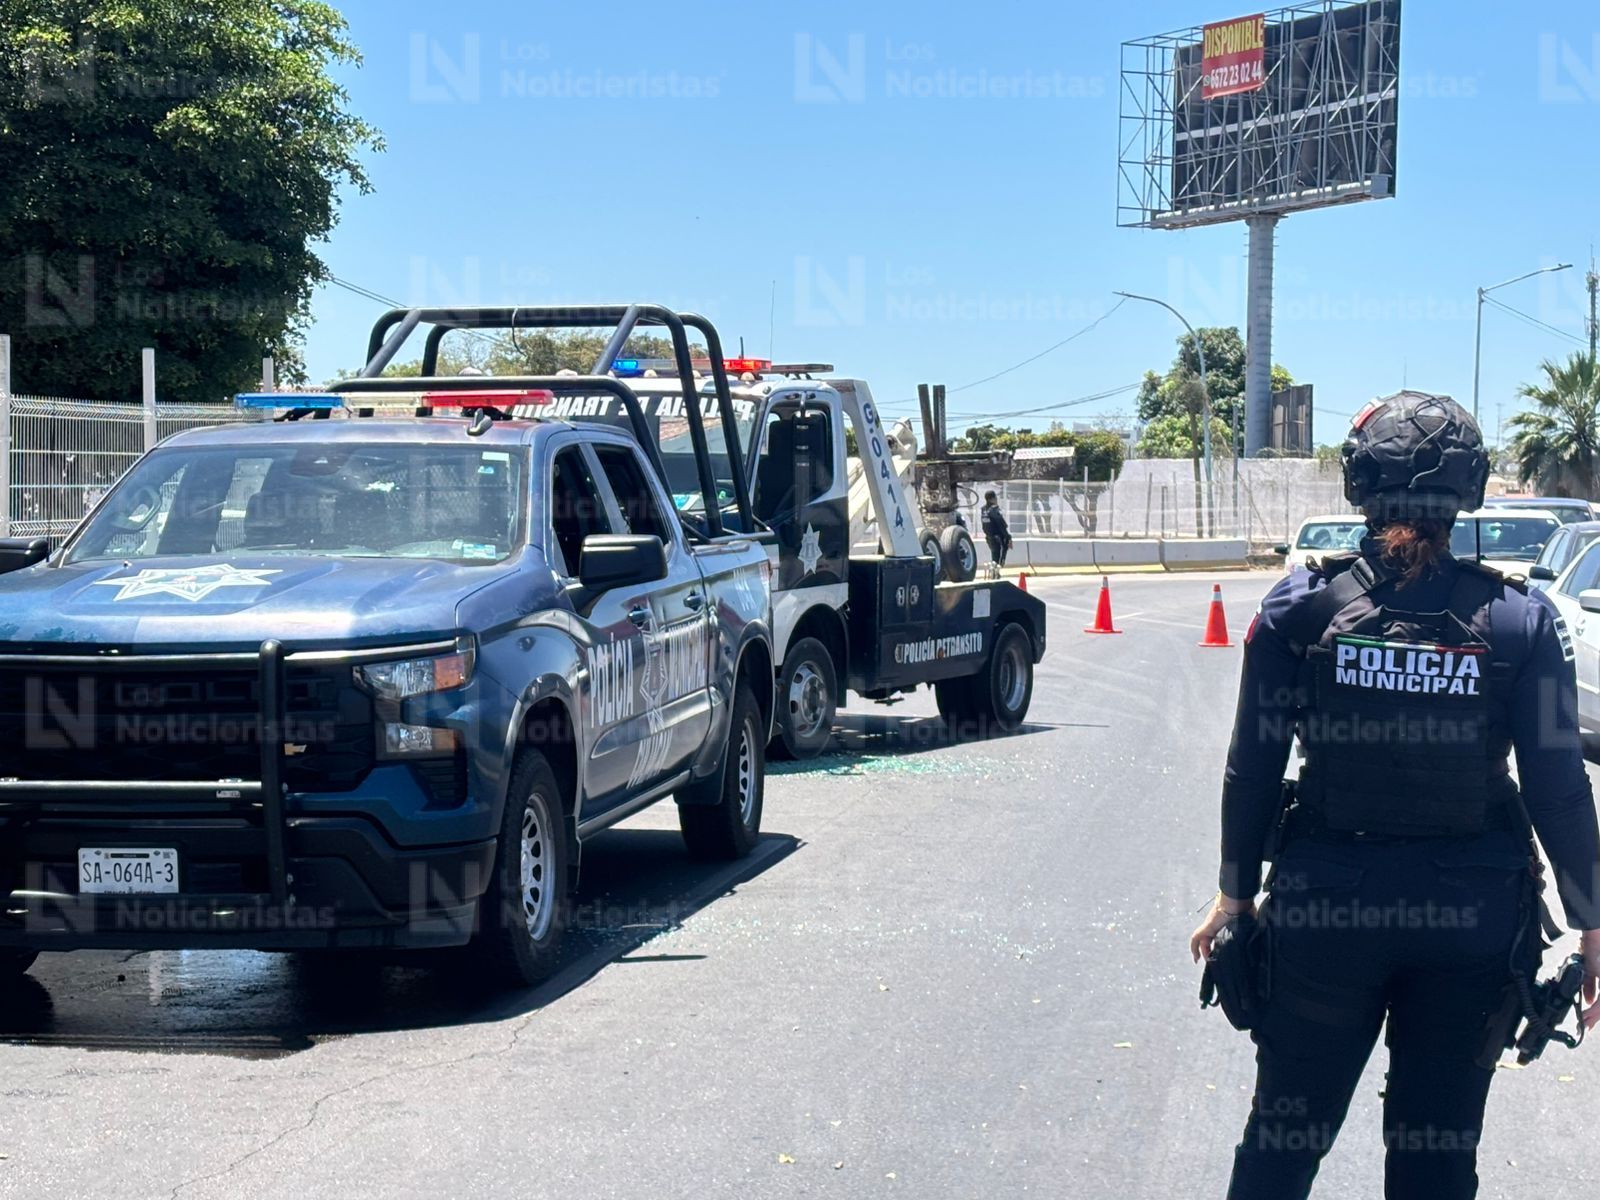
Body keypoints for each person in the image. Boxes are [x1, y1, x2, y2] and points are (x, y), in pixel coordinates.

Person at [1189, 393, 1600, 1200]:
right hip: (1472, 922)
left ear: (1359, 486)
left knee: (1282, 1143)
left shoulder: (1300, 610)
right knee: (1436, 1160)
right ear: (1468, 492)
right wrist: (1592, 923)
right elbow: (1558, 787)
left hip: (1327, 914)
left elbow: (1252, 768)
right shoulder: (1519, 622)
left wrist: (1235, 896)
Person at [980, 490, 1011, 568]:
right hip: (997, 537)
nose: (996, 499)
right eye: (995, 498)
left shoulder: (983, 509)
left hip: (989, 537)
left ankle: (994, 571)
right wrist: (1008, 537)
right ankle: (995, 571)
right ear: (992, 499)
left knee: (994, 556)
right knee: (998, 559)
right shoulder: (994, 509)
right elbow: (1001, 524)